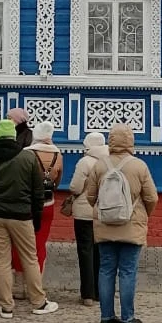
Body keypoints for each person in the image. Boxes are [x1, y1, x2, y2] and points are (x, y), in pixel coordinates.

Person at [0, 118, 58, 320]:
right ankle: (38, 302)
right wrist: (36, 216)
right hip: (21, 216)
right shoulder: (27, 158)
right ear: (13, 135)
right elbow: (38, 192)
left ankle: (6, 306)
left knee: (2, 261)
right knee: (30, 258)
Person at [85, 124, 158, 323]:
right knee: (127, 271)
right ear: (130, 141)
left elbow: (91, 197)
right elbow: (152, 197)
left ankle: (106, 317)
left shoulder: (99, 165)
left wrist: (105, 212)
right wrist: (142, 215)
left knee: (106, 269)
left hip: (105, 226)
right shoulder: (139, 166)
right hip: (131, 225)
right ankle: (128, 319)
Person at [12, 121, 63, 295]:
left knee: (19, 243)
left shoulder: (26, 154)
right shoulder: (58, 154)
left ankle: (19, 285)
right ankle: (36, 285)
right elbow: (57, 182)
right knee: (39, 244)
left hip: (26, 204)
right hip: (47, 204)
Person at [65, 131, 109, 307]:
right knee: (101, 253)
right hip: (104, 211)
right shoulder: (110, 161)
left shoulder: (85, 162)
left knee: (85, 252)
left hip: (84, 213)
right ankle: (100, 292)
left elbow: (75, 187)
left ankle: (87, 294)